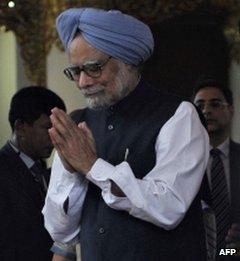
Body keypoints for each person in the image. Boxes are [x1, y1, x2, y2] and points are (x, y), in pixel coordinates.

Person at [42, 8, 210, 261]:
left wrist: (91, 165)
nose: (83, 82)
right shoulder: (78, 125)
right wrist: (71, 171)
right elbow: (60, 232)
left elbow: (169, 207)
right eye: (75, 72)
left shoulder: (178, 116)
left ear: (127, 62)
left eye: (93, 68)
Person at [0, 86, 66, 260]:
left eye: (58, 129)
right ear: (20, 127)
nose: (54, 136)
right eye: (47, 127)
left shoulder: (43, 171)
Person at [193, 79, 240, 259]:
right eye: (199, 105)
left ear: (231, 110)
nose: (206, 110)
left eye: (215, 104)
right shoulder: (181, 161)